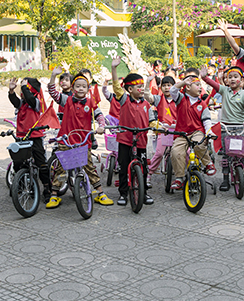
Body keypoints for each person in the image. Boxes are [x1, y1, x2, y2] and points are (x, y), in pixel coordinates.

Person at [46, 67, 113, 207]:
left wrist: (101, 126)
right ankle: (54, 195)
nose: (80, 89)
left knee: (89, 167)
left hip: (83, 141)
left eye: (84, 86)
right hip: (66, 140)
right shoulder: (67, 100)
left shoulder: (90, 102)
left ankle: (100, 193)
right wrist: (53, 76)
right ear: (72, 88)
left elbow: (99, 115)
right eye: (77, 86)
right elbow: (53, 92)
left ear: (88, 89)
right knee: (61, 168)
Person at [202, 65, 244, 191]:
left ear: (241, 80)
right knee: (226, 154)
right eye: (230, 77)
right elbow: (213, 84)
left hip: (241, 127)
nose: (232, 79)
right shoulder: (224, 91)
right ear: (226, 80)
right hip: (226, 128)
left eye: (235, 77)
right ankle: (225, 179)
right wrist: (205, 77)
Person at [109, 59, 155, 206]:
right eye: (139, 87)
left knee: (143, 167)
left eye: (142, 86)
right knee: (123, 167)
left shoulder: (146, 104)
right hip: (125, 139)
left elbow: (152, 120)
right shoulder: (124, 100)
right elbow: (116, 87)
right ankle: (123, 194)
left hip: (141, 140)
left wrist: (157, 127)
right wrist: (114, 68)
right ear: (130, 89)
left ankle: (144, 192)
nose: (141, 89)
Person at [8, 76, 53, 206]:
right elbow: (15, 101)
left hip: (35, 136)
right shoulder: (22, 103)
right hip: (21, 136)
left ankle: (47, 188)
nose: (23, 92)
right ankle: (20, 185)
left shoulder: (36, 102)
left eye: (26, 88)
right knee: (18, 163)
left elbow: (30, 99)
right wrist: (11, 91)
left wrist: (23, 87)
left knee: (41, 164)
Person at [168, 72, 215, 191]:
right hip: (181, 133)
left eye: (200, 85)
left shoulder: (202, 104)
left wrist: (209, 132)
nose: (200, 88)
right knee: (176, 152)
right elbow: (172, 90)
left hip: (197, 131)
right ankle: (179, 178)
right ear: (188, 87)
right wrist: (183, 82)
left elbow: (206, 120)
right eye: (197, 85)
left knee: (199, 144)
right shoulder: (181, 98)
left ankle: (208, 163)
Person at [148, 76, 177, 176]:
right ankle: (149, 173)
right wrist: (147, 84)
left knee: (185, 152)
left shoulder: (179, 99)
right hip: (163, 130)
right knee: (159, 153)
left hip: (177, 130)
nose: (166, 88)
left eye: (169, 85)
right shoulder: (158, 99)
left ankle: (186, 175)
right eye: (164, 85)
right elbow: (148, 97)